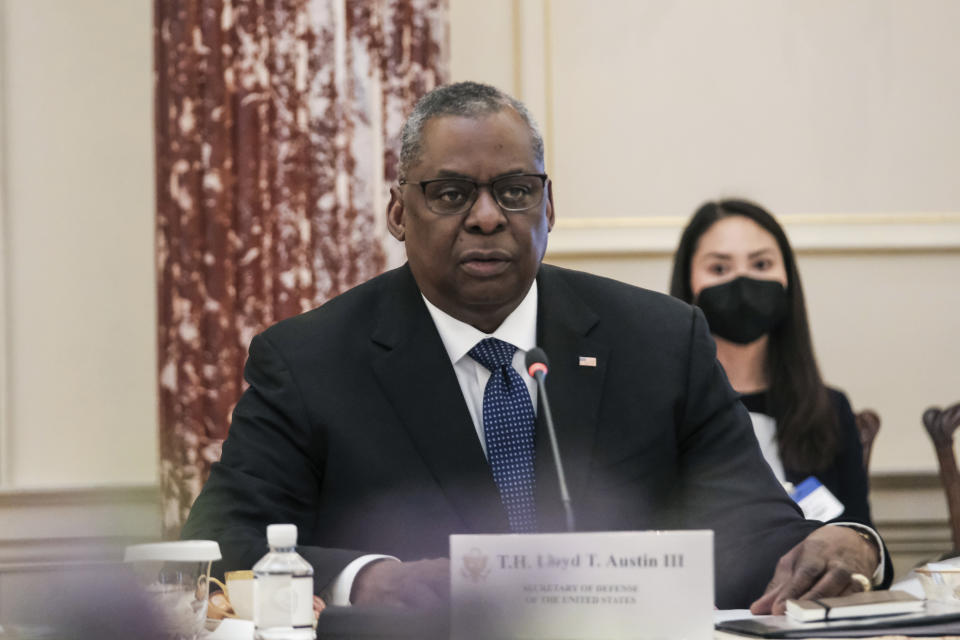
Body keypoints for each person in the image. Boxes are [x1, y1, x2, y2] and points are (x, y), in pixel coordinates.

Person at [181, 81, 886, 615]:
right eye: (451, 193)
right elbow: (220, 542)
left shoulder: (660, 341)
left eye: (515, 192)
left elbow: (753, 531)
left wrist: (852, 542)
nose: (488, 218)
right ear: (399, 211)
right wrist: (369, 577)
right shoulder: (309, 361)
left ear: (548, 207)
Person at [669, 200, 874, 526]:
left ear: (787, 278)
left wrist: (860, 549)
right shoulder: (659, 411)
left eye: (761, 264)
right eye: (719, 268)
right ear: (689, 282)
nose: (742, 282)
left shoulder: (830, 409)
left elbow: (863, 540)